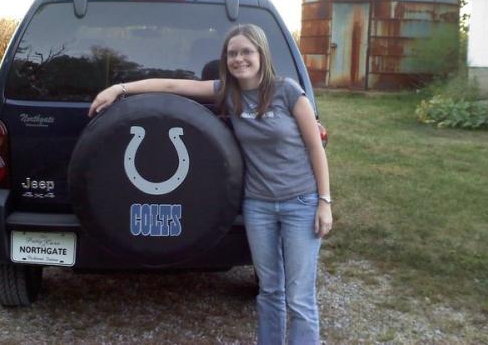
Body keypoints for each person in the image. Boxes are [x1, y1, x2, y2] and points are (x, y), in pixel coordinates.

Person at [89, 24, 332, 345]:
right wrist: (119, 89)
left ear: (261, 54)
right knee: (270, 290)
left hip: (300, 202)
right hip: (258, 205)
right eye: (232, 53)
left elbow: (316, 147)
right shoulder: (227, 93)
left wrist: (324, 202)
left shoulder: (287, 91)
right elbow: (173, 86)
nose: (239, 59)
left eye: (247, 51)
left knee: (299, 297)